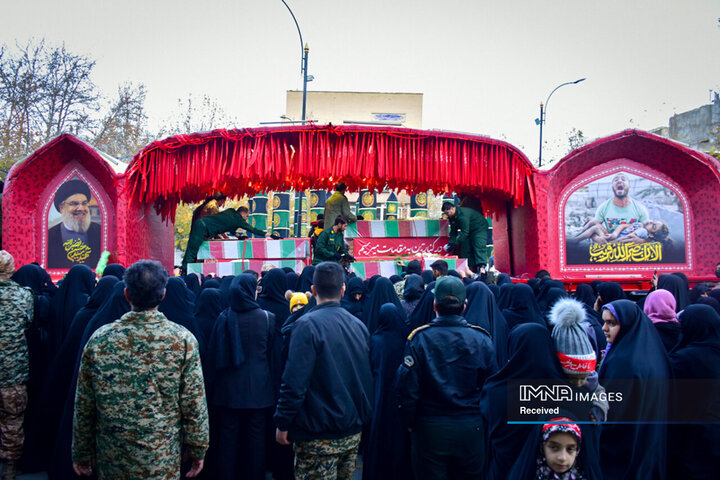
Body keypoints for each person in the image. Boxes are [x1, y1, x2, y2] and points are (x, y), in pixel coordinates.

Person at [72, 260, 209, 479]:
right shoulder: (182, 340)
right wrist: (198, 447)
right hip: (161, 456)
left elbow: (85, 404)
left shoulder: (100, 339)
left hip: (112, 456)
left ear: (126, 294)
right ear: (163, 295)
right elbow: (193, 402)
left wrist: (81, 451)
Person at [274, 262, 372, 480]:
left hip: (316, 435)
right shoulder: (358, 326)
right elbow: (366, 377)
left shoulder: (306, 325)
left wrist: (283, 421)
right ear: (343, 290)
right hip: (350, 429)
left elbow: (294, 381)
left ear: (314, 290)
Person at [396, 276, 497, 479]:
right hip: (470, 426)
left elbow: (408, 388)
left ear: (434, 305)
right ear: (464, 306)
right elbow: (491, 387)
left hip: (430, 428)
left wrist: (409, 422)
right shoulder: (482, 340)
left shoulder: (419, 339)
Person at [204, 274, 282, 480]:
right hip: (259, 390)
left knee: (228, 442)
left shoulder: (224, 317)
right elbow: (273, 359)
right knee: (256, 442)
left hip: (228, 392)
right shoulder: (267, 318)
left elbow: (214, 355)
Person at [599, 300, 670, 479]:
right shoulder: (652, 352)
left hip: (625, 450)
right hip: (650, 442)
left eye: (611, 323)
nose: (604, 328)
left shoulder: (623, 362)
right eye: (604, 322)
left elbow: (612, 412)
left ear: (628, 325)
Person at [0, 251, 34, 479]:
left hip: (13, 371)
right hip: (13, 372)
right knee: (12, 420)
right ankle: (9, 470)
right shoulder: (23, 296)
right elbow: (28, 323)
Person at [182, 206, 274, 272]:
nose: (246, 219)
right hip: (202, 227)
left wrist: (238, 236)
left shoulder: (231, 211)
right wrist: (268, 234)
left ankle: (184, 269)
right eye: (247, 216)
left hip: (201, 224)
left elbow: (230, 226)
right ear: (243, 213)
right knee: (192, 251)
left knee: (191, 249)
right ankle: (185, 272)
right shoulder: (238, 220)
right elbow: (252, 229)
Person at [48, 179, 102, 269]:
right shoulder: (50, 236)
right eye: (74, 204)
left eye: (84, 203)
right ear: (61, 208)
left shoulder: (99, 232)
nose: (80, 208)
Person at [441, 202, 489, 273]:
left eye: (447, 213)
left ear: (452, 208)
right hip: (468, 230)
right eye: (445, 213)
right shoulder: (452, 217)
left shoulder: (463, 215)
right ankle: (470, 268)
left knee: (478, 245)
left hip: (479, 228)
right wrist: (451, 243)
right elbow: (453, 232)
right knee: (465, 248)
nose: (447, 215)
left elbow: (465, 233)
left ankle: (481, 267)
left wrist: (455, 243)